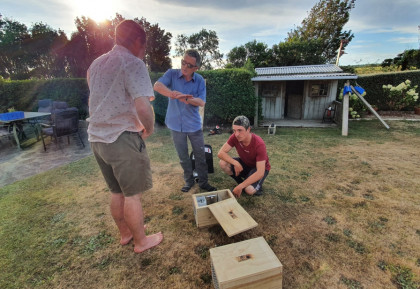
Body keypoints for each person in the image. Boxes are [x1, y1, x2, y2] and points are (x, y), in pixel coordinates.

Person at [86, 20, 163, 253]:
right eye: (145, 45)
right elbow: (142, 106)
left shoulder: (96, 64)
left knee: (116, 191)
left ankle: (126, 234)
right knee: (132, 195)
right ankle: (141, 241)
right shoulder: (133, 63)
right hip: (121, 136)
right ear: (139, 41)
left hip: (96, 138)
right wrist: (148, 128)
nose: (145, 50)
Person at [153, 49, 217, 193]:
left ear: (196, 68)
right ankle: (188, 181)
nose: (184, 67)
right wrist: (172, 94)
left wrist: (186, 98)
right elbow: (157, 85)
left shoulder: (199, 80)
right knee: (183, 157)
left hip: (194, 125)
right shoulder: (171, 74)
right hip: (175, 125)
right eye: (183, 62)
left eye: (189, 65)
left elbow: (201, 102)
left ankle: (203, 182)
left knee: (200, 155)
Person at [217, 116, 270, 197]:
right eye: (234, 130)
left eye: (240, 130)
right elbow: (220, 153)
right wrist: (235, 163)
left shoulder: (259, 144)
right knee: (223, 163)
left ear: (248, 129)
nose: (237, 134)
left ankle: (255, 189)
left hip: (258, 168)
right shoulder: (234, 137)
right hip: (245, 163)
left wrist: (241, 187)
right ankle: (241, 183)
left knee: (249, 190)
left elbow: (260, 172)